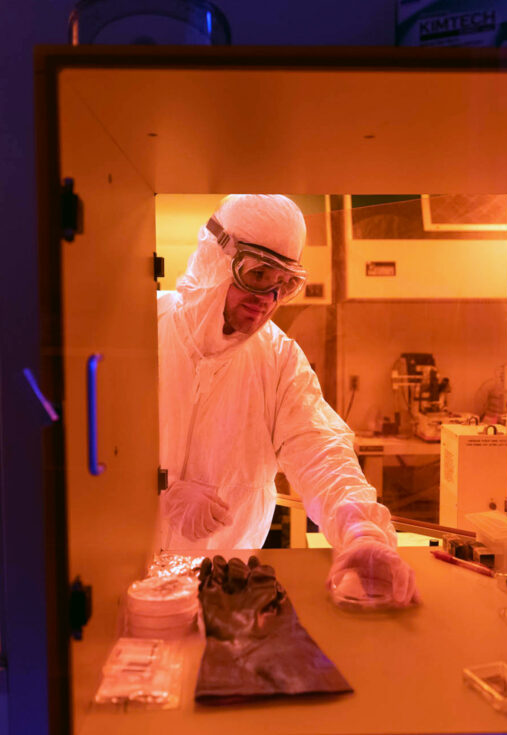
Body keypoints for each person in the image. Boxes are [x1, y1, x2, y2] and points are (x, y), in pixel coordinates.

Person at [157, 194, 417, 607]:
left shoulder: (277, 359)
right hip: (128, 580)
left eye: (285, 284)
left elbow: (320, 451)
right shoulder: (141, 330)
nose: (268, 298)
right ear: (216, 259)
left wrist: (359, 529)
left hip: (226, 589)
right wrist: (161, 491)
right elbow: (87, 448)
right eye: (258, 274)